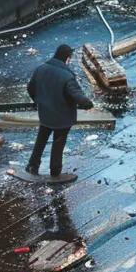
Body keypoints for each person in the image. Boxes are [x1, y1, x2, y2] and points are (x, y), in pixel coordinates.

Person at [25, 43, 93, 183]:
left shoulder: (41, 69)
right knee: (58, 142)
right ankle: (55, 171)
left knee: (41, 139)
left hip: (45, 113)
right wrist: (87, 104)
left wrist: (38, 101)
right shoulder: (66, 76)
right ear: (67, 58)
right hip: (62, 117)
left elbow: (31, 87)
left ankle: (32, 165)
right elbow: (76, 94)